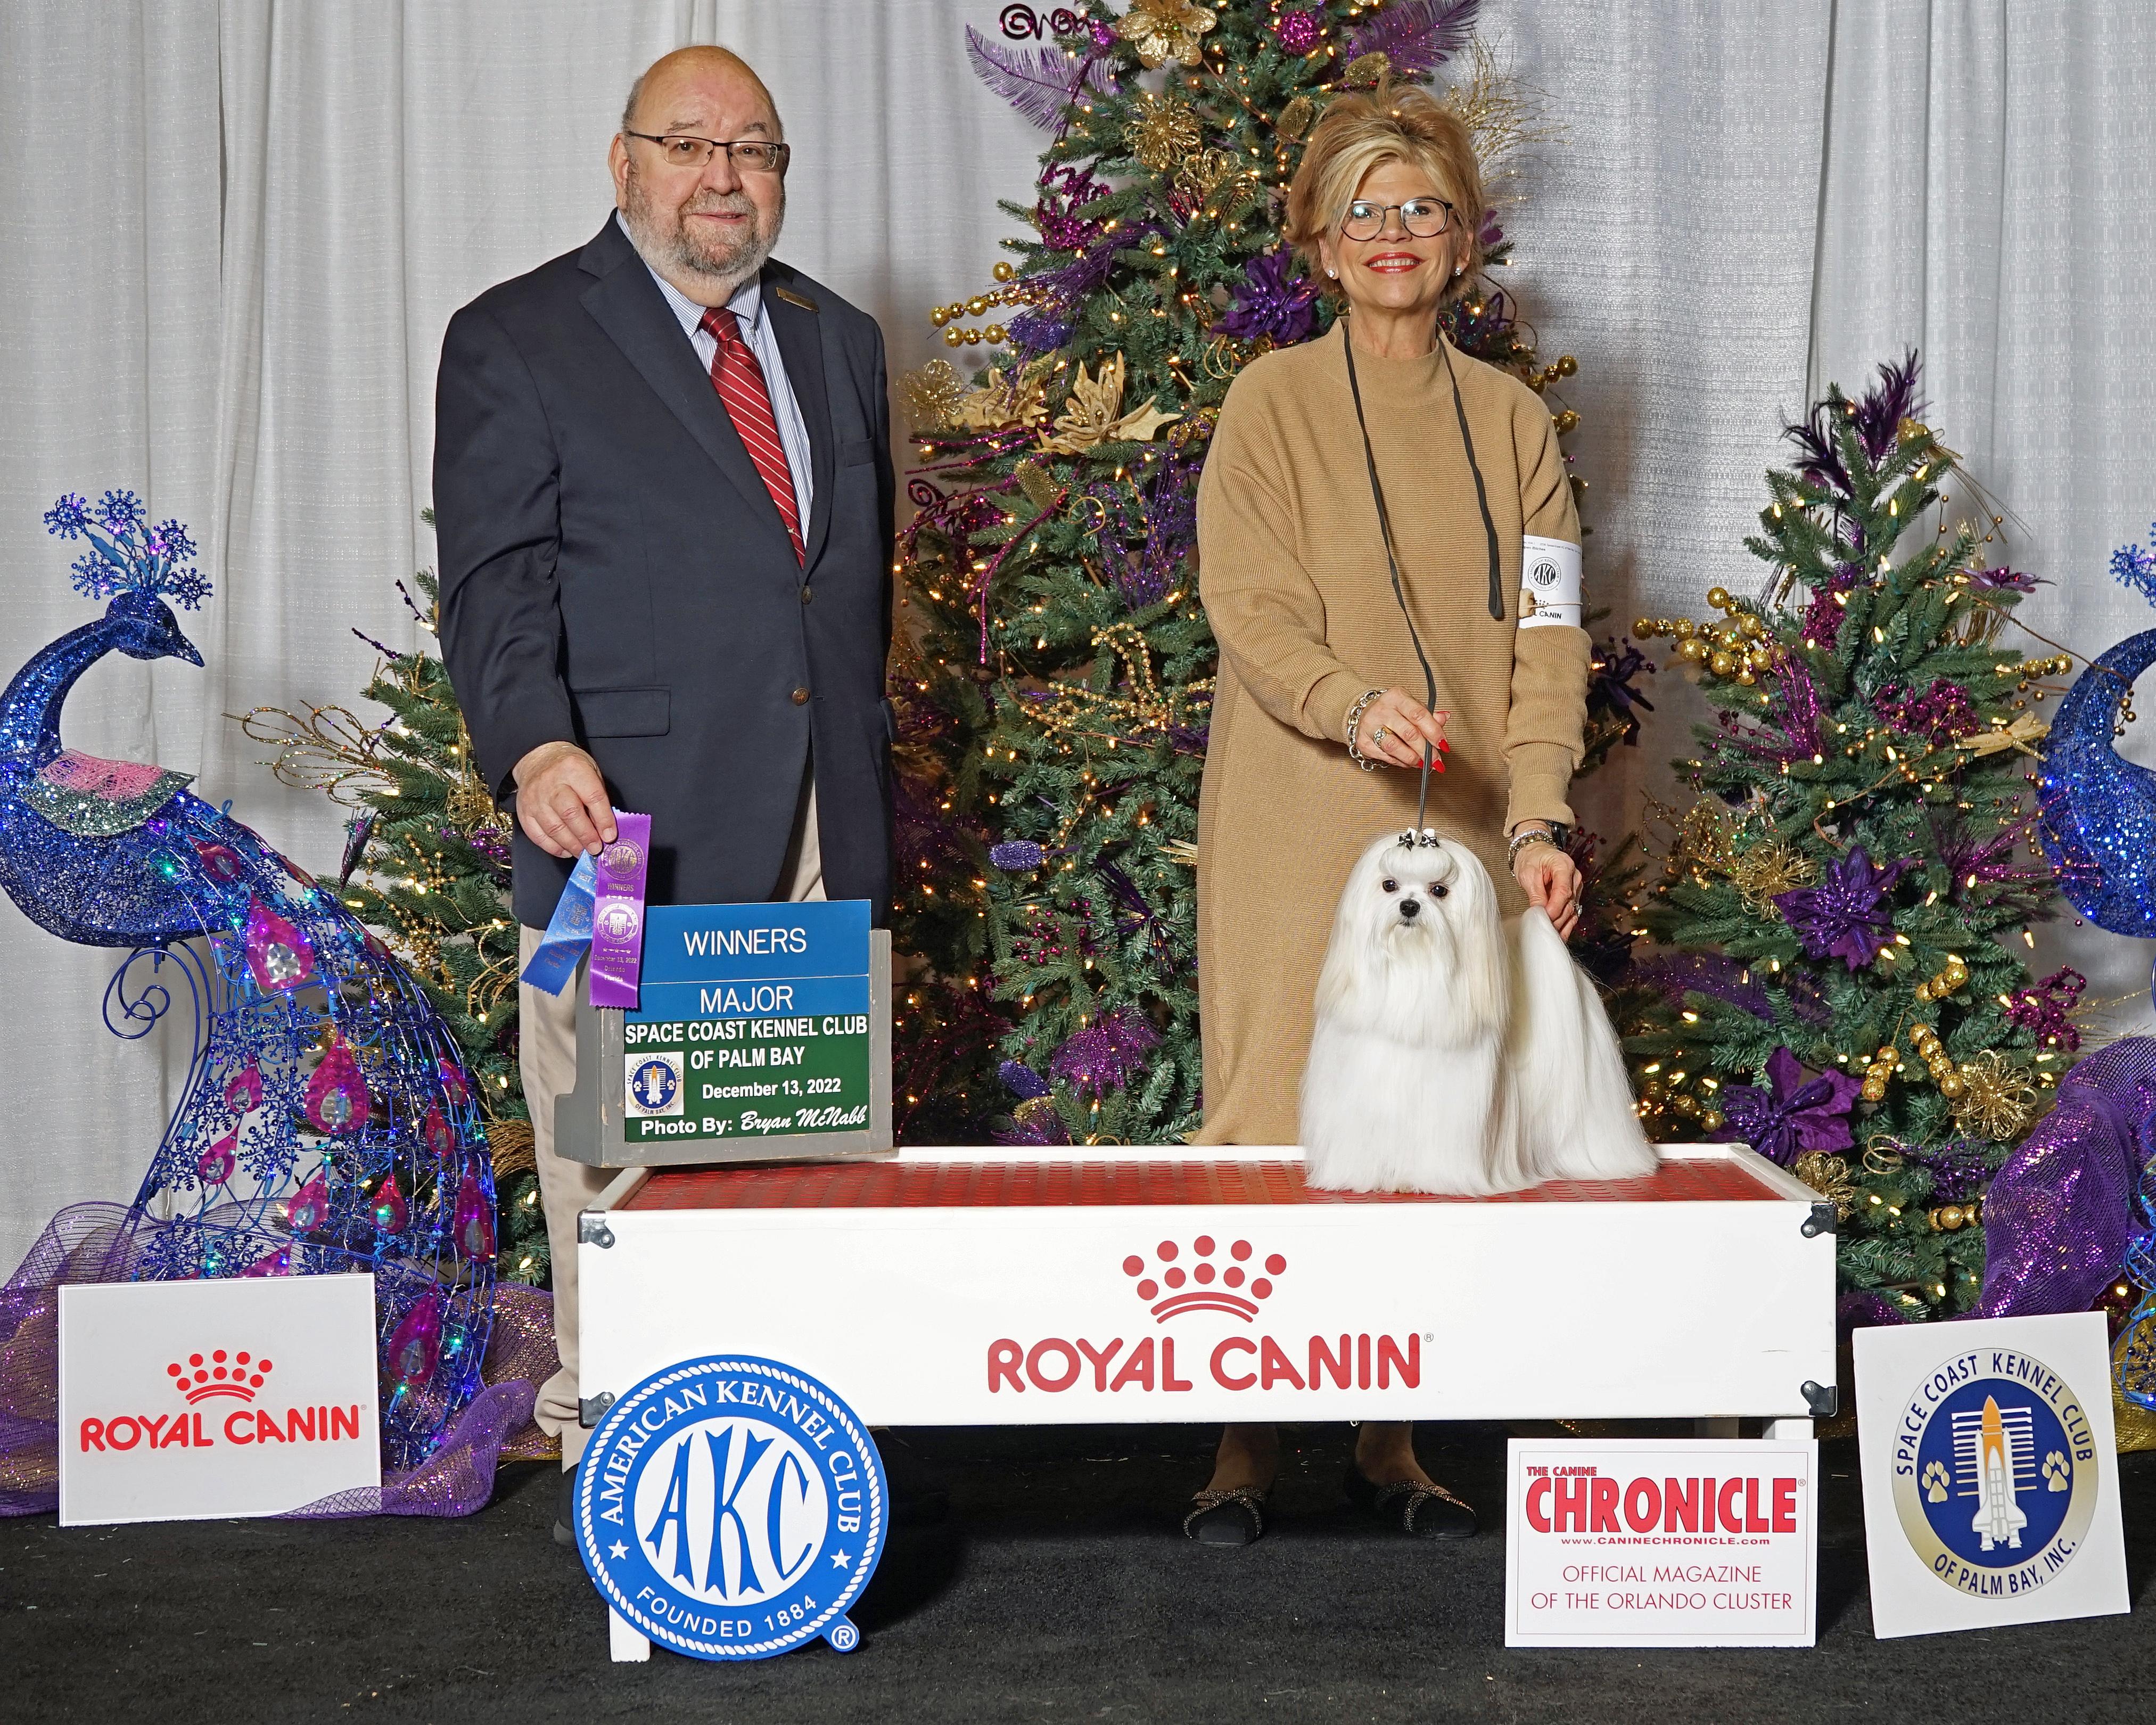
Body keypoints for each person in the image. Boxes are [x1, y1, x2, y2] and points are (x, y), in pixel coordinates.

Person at [433, 45, 895, 1545]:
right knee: (611, 1140)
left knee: (804, 1126)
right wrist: (534, 748)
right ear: (623, 162)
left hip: (821, 807)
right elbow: (496, 582)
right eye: (689, 145)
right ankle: (620, 1446)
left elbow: (838, 585)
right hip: (624, 821)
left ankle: (798, 1433)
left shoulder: (836, 337)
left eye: (752, 148)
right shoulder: (516, 337)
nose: (722, 176)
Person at [1185, 82, 1590, 1545]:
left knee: (1423, 1118)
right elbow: (1246, 600)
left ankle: (1388, 1440)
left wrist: (1536, 820)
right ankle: (1240, 1448)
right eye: (1363, 209)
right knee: (1268, 1112)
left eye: (1420, 206)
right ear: (1318, 239)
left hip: (1457, 830)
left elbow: (1549, 636)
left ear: (1464, 236)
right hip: (1292, 814)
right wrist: (1346, 701)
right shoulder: (1269, 402)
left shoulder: (1516, 424)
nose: (1393, 233)